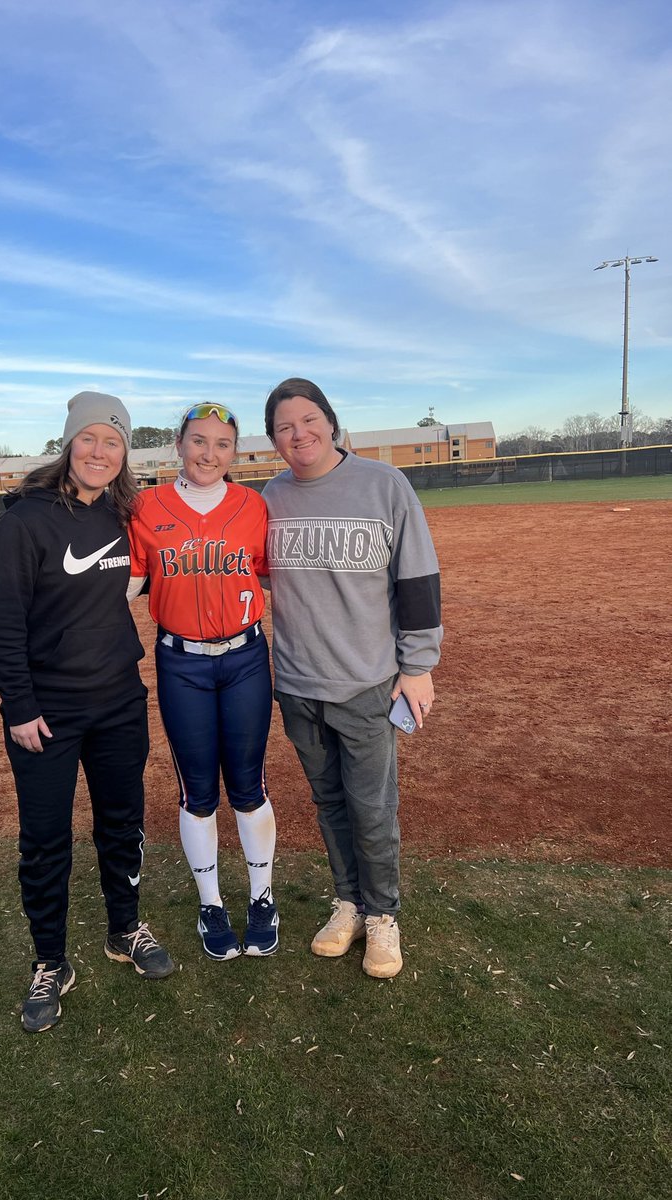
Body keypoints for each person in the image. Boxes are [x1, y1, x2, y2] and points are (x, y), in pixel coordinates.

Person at [0, 391, 175, 1034]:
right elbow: (4, 626)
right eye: (89, 438)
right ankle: (50, 961)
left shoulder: (124, 515)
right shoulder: (25, 523)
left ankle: (125, 928)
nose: (100, 451)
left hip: (119, 701)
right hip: (48, 712)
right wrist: (19, 706)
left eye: (113, 441)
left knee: (122, 823)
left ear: (124, 455)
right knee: (45, 838)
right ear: (69, 443)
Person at [262, 379, 442, 979]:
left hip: (366, 682)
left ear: (331, 423)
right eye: (285, 427)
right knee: (330, 802)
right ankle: (349, 903)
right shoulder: (271, 497)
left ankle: (384, 916)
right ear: (273, 440)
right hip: (295, 681)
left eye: (309, 420)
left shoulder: (383, 484)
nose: (299, 434)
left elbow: (417, 577)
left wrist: (417, 665)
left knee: (372, 807)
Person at [127, 403, 278, 960]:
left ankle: (262, 896)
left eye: (221, 443)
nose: (208, 453)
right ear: (178, 444)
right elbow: (129, 583)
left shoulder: (253, 506)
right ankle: (211, 902)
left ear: (234, 452)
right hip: (180, 662)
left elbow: (273, 577)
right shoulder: (146, 506)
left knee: (248, 785)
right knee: (197, 792)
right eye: (198, 441)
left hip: (244, 658)